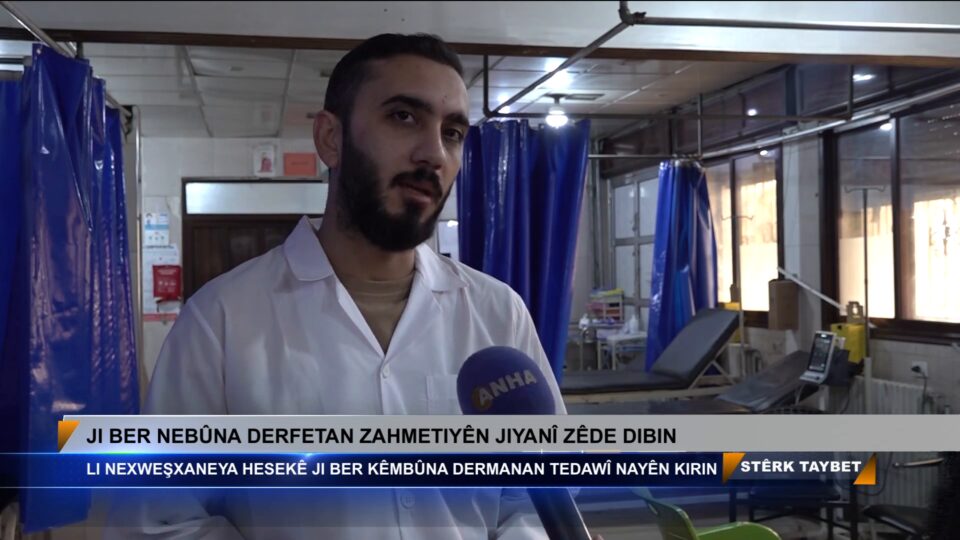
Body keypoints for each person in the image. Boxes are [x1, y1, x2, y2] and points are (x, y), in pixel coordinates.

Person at [106, 33, 568, 539]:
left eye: (453, 132)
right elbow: (157, 521)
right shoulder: (221, 320)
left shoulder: (497, 313)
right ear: (331, 138)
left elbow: (538, 499)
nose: (434, 153)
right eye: (403, 117)